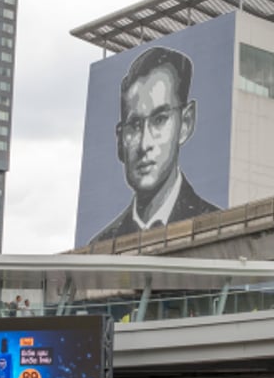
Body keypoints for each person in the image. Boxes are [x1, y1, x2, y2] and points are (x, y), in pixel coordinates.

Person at [92, 46, 221, 242]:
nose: (144, 144)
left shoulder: (217, 228)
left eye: (159, 119)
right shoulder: (102, 244)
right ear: (120, 139)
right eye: (134, 125)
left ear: (186, 123)